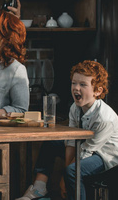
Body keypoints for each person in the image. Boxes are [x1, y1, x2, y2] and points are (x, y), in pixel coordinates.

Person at [17, 60, 118, 200]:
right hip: (84, 146)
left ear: (97, 91)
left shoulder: (104, 118)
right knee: (51, 142)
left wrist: (65, 177)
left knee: (73, 170)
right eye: (74, 83)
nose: (76, 88)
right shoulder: (75, 108)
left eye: (83, 84)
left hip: (105, 156)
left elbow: (86, 152)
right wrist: (65, 173)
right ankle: (39, 187)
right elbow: (71, 140)